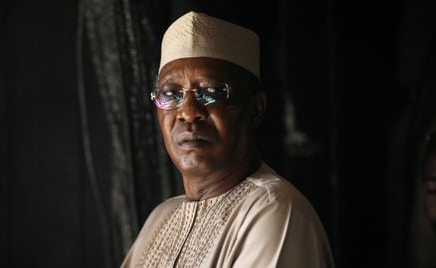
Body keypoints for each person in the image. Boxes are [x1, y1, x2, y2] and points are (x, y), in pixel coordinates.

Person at [121, 11, 334, 267]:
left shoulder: (273, 211)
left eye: (211, 92)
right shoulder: (161, 218)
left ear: (255, 108)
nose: (188, 112)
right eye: (172, 94)